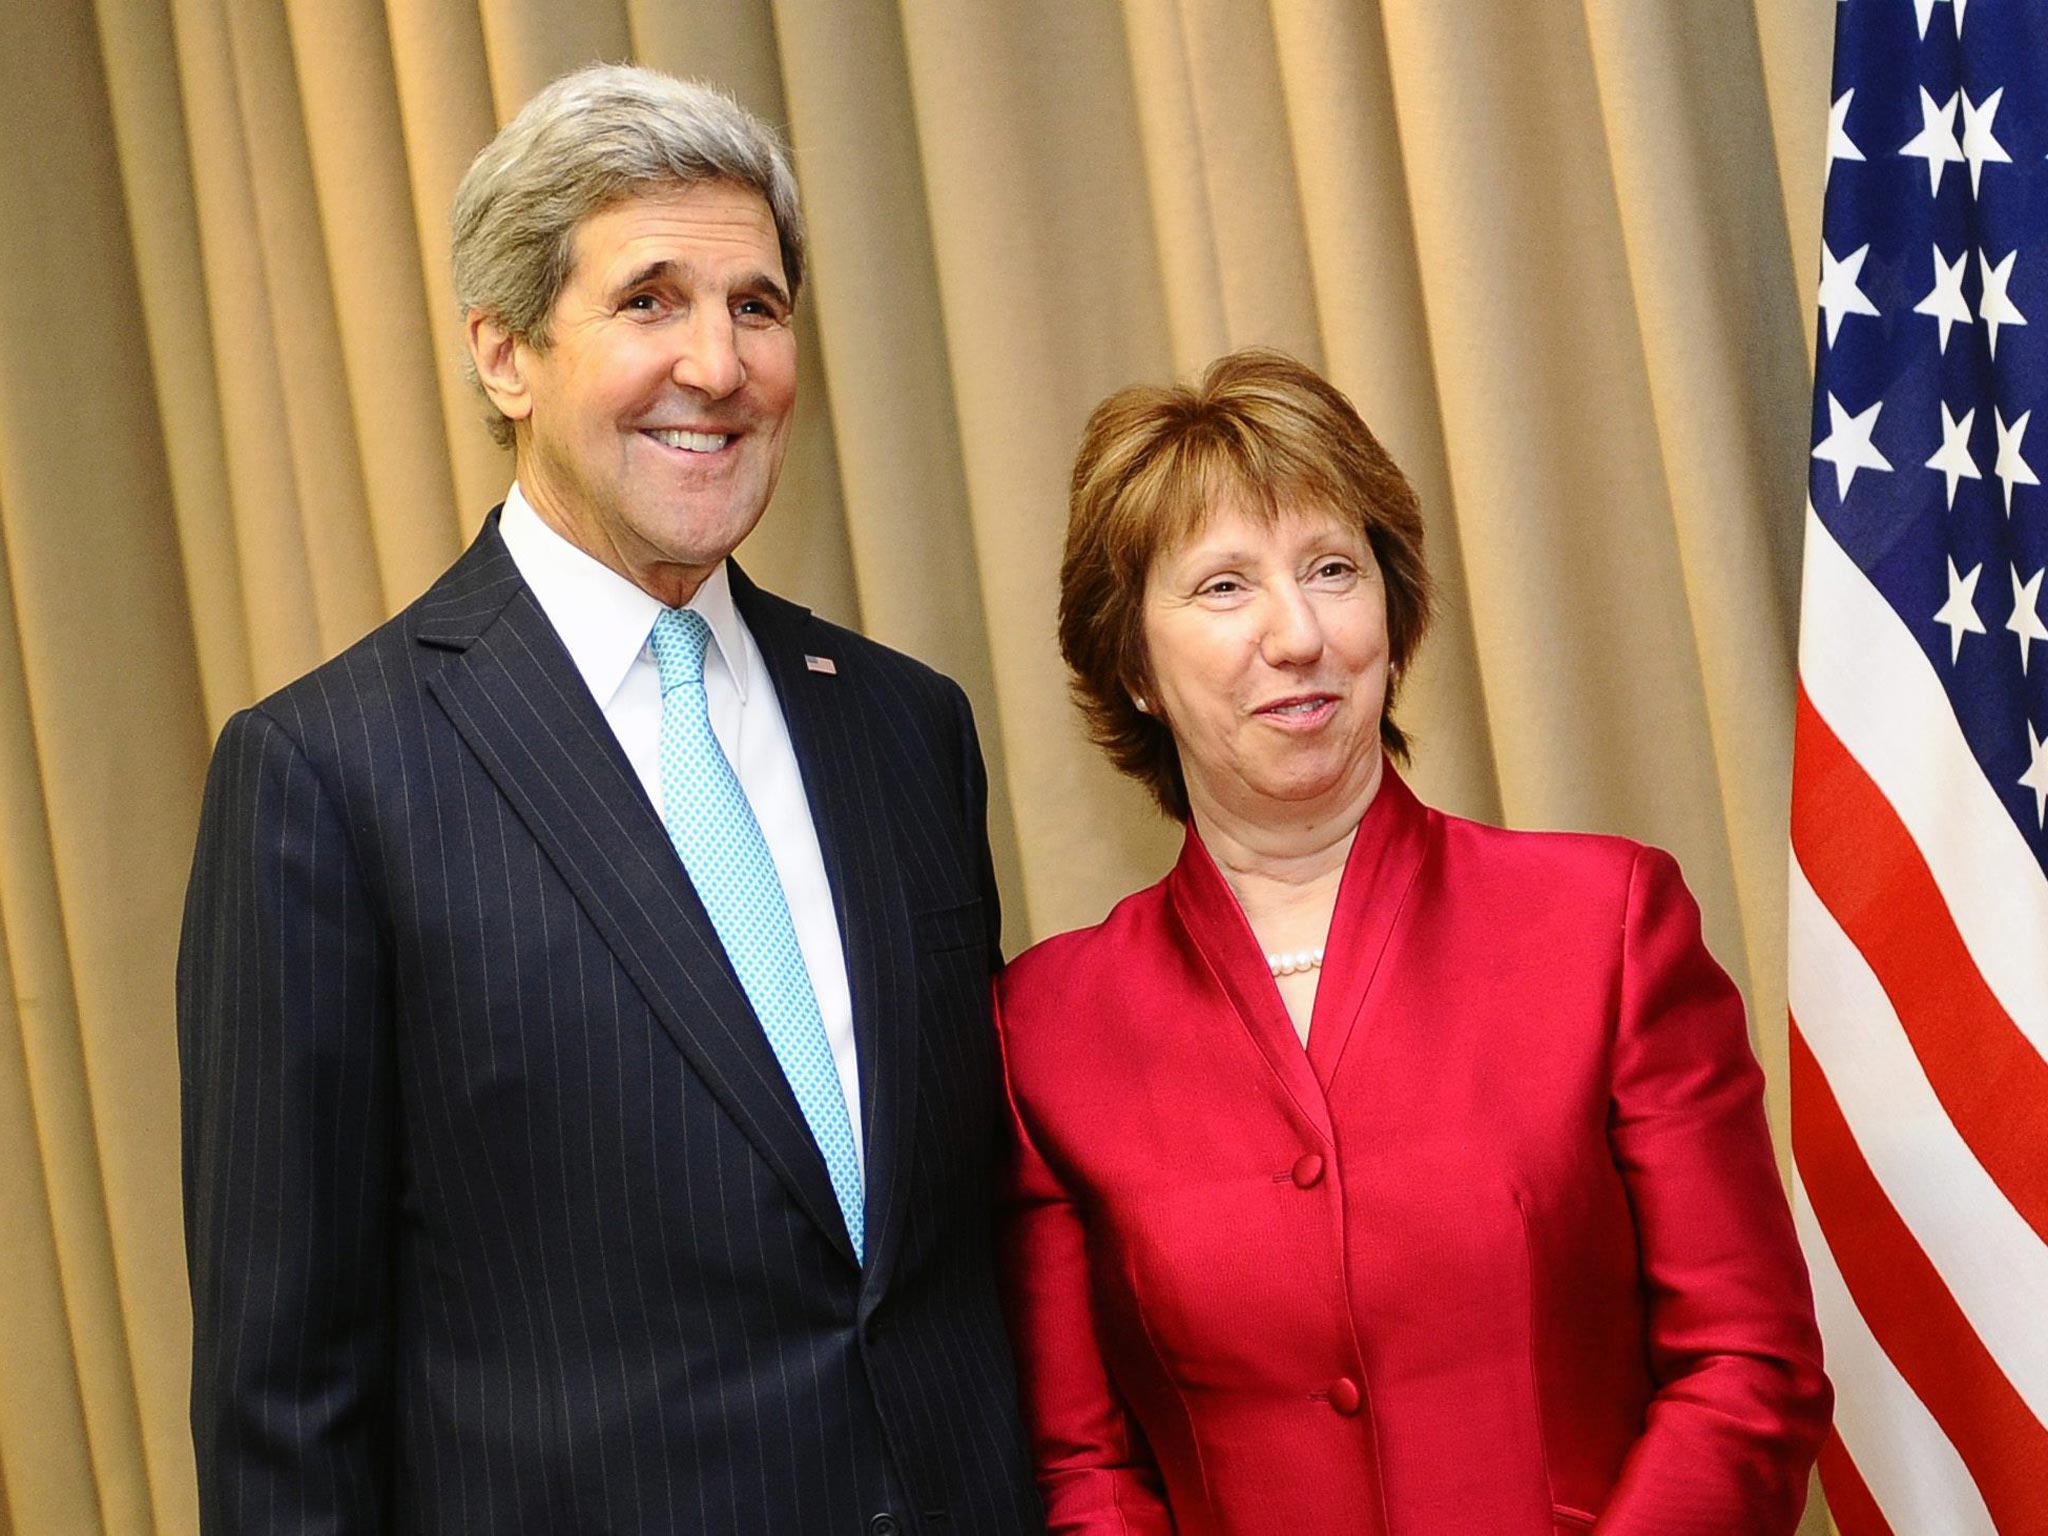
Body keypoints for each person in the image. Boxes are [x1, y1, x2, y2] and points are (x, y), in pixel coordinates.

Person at [178, 63, 1042, 1535]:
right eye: (649, 299)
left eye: (756, 306)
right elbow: (284, 1403)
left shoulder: (908, 727)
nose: (718, 363)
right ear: (503, 352)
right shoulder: (327, 779)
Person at [993, 348, 1830, 1535]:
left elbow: (1747, 1370)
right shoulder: (1045, 1026)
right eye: (1223, 588)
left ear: (1391, 610)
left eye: (1331, 569)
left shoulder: (1603, 924)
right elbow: (1082, 1472)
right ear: (1130, 663)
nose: (1296, 634)